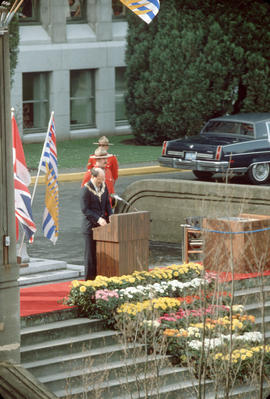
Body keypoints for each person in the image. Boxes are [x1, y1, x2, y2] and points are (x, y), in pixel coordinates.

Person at [80, 167, 112, 281]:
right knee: (90, 256)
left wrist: (111, 217)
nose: (102, 181)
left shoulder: (103, 186)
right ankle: (89, 280)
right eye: (99, 179)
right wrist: (98, 219)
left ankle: (100, 278)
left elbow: (107, 203)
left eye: (103, 179)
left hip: (103, 227)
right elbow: (85, 209)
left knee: (100, 254)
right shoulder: (86, 189)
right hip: (90, 227)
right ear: (93, 177)